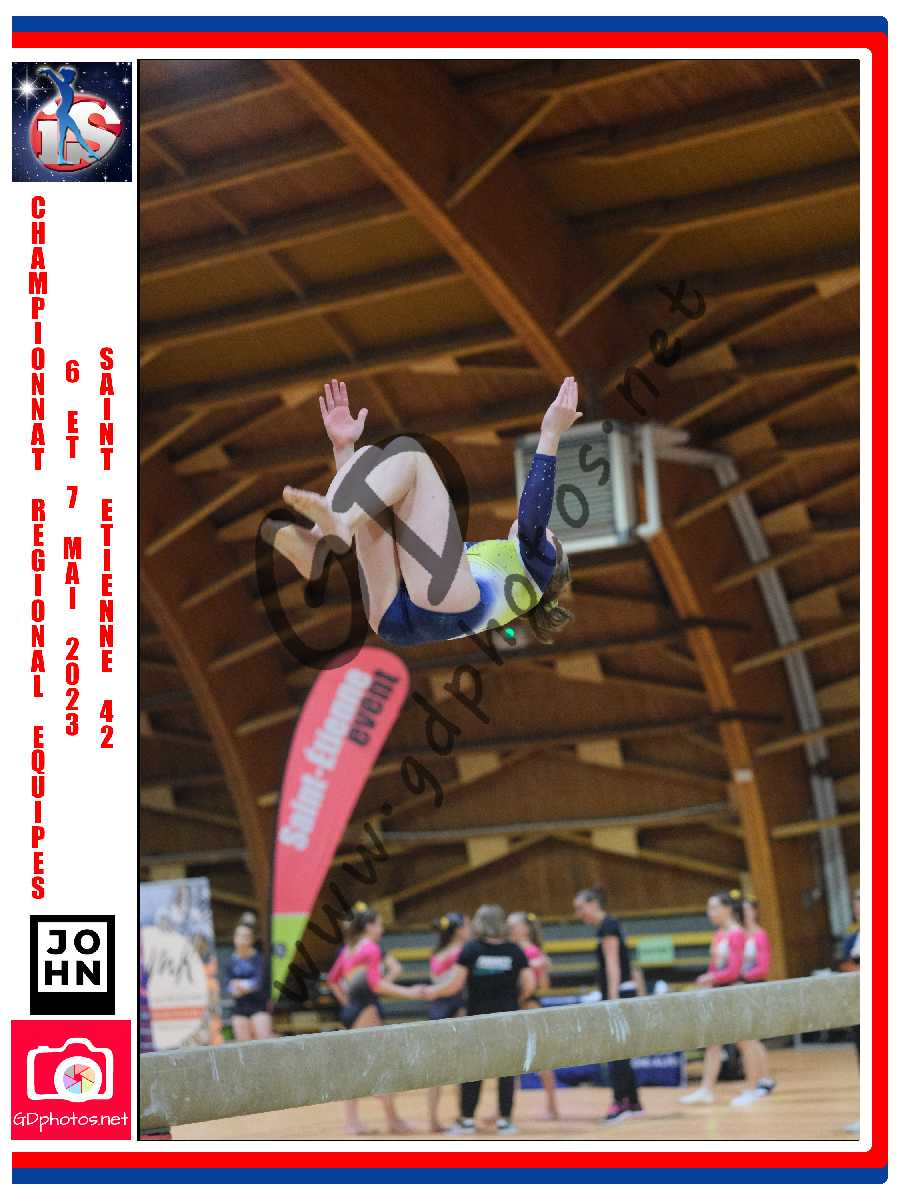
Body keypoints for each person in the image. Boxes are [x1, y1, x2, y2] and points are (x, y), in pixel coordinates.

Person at [263, 376, 580, 648]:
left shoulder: (539, 565)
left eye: (552, 539)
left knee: (412, 456)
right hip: (394, 622)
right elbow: (377, 520)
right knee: (370, 461)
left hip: (447, 605)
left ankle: (333, 532)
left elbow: (533, 516)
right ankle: (319, 543)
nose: (547, 534)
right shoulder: (489, 566)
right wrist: (344, 450)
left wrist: (550, 434)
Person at [425, 904, 535, 1136]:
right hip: (507, 1018)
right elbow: (529, 984)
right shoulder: (515, 950)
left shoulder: (471, 949)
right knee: (506, 1069)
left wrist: (432, 992)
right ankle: (505, 1121)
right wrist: (513, 1000)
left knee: (473, 1069)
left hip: (477, 1019)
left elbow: (455, 984)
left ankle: (466, 1120)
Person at [326, 905, 427, 1136]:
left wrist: (347, 1002)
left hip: (354, 1010)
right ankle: (387, 1120)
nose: (382, 929)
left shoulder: (349, 949)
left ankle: (365, 1121)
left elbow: (332, 980)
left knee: (363, 1065)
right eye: (380, 924)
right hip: (366, 1010)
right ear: (369, 926)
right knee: (381, 1065)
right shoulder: (370, 948)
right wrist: (410, 992)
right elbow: (376, 984)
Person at [680, 892, 760, 1106]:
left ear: (728, 909)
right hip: (717, 993)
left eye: (714, 908)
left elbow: (734, 970)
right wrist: (707, 980)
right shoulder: (718, 934)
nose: (710, 913)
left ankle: (752, 1089)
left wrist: (711, 978)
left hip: (734, 992)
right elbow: (714, 966)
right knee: (713, 1043)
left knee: (745, 1042)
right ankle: (706, 1089)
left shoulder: (737, 933)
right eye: (709, 908)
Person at [573, 887, 643, 1122]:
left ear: (594, 903)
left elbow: (613, 963)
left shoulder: (608, 926)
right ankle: (633, 1102)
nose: (578, 914)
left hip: (618, 994)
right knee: (622, 1050)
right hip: (621, 992)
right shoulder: (609, 925)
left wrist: (612, 1000)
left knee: (616, 1051)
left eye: (580, 908)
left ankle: (621, 1102)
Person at [508, 911, 559, 1120]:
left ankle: (552, 1107)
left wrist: (539, 969)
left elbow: (543, 985)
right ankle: (504, 1108)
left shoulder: (530, 950)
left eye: (512, 925)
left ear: (525, 928)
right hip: (517, 1004)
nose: (508, 929)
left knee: (540, 1057)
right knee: (509, 1059)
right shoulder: (514, 949)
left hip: (527, 1004)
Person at [426, 912, 471, 1132]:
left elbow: (436, 982)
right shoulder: (462, 951)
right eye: (467, 926)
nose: (470, 930)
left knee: (436, 1069)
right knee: (461, 1067)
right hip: (455, 1006)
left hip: (438, 1008)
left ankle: (433, 1119)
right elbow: (454, 984)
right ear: (459, 931)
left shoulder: (437, 953)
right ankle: (462, 1116)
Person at [732, 897, 776, 1107]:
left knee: (750, 1037)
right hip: (739, 987)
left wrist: (741, 976)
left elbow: (763, 967)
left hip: (754, 987)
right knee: (746, 1038)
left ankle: (763, 1078)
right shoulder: (738, 934)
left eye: (748, 910)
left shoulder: (760, 935)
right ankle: (762, 1078)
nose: (745, 914)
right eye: (742, 911)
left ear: (755, 912)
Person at [36, 66, 101, 164]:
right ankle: (90, 152)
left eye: (73, 76)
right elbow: (54, 77)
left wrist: (48, 71)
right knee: (76, 132)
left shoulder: (67, 87)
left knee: (63, 136)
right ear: (67, 76)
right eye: (72, 76)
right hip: (63, 113)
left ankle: (61, 158)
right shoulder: (63, 85)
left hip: (63, 113)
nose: (73, 78)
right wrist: (47, 71)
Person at [223, 919, 272, 1043]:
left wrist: (240, 985)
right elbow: (228, 985)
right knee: (244, 1047)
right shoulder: (230, 961)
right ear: (234, 938)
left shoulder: (260, 959)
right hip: (240, 1009)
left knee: (264, 1044)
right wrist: (238, 988)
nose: (242, 940)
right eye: (239, 936)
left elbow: (259, 982)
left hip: (259, 1008)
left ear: (252, 939)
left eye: (246, 937)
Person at [838, 887, 860, 1135]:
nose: (858, 904)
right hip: (858, 1007)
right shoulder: (852, 938)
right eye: (856, 900)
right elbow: (843, 965)